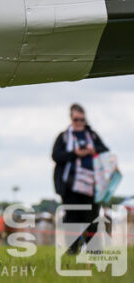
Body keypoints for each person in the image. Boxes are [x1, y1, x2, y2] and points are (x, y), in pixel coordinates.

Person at [52, 103, 110, 254]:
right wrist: (75, 154)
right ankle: (72, 250)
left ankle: (95, 250)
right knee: (72, 219)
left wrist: (93, 150)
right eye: (76, 119)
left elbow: (105, 151)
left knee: (92, 219)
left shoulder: (92, 135)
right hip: (71, 186)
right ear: (71, 119)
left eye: (82, 120)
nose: (79, 122)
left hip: (92, 186)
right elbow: (56, 156)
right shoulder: (64, 137)